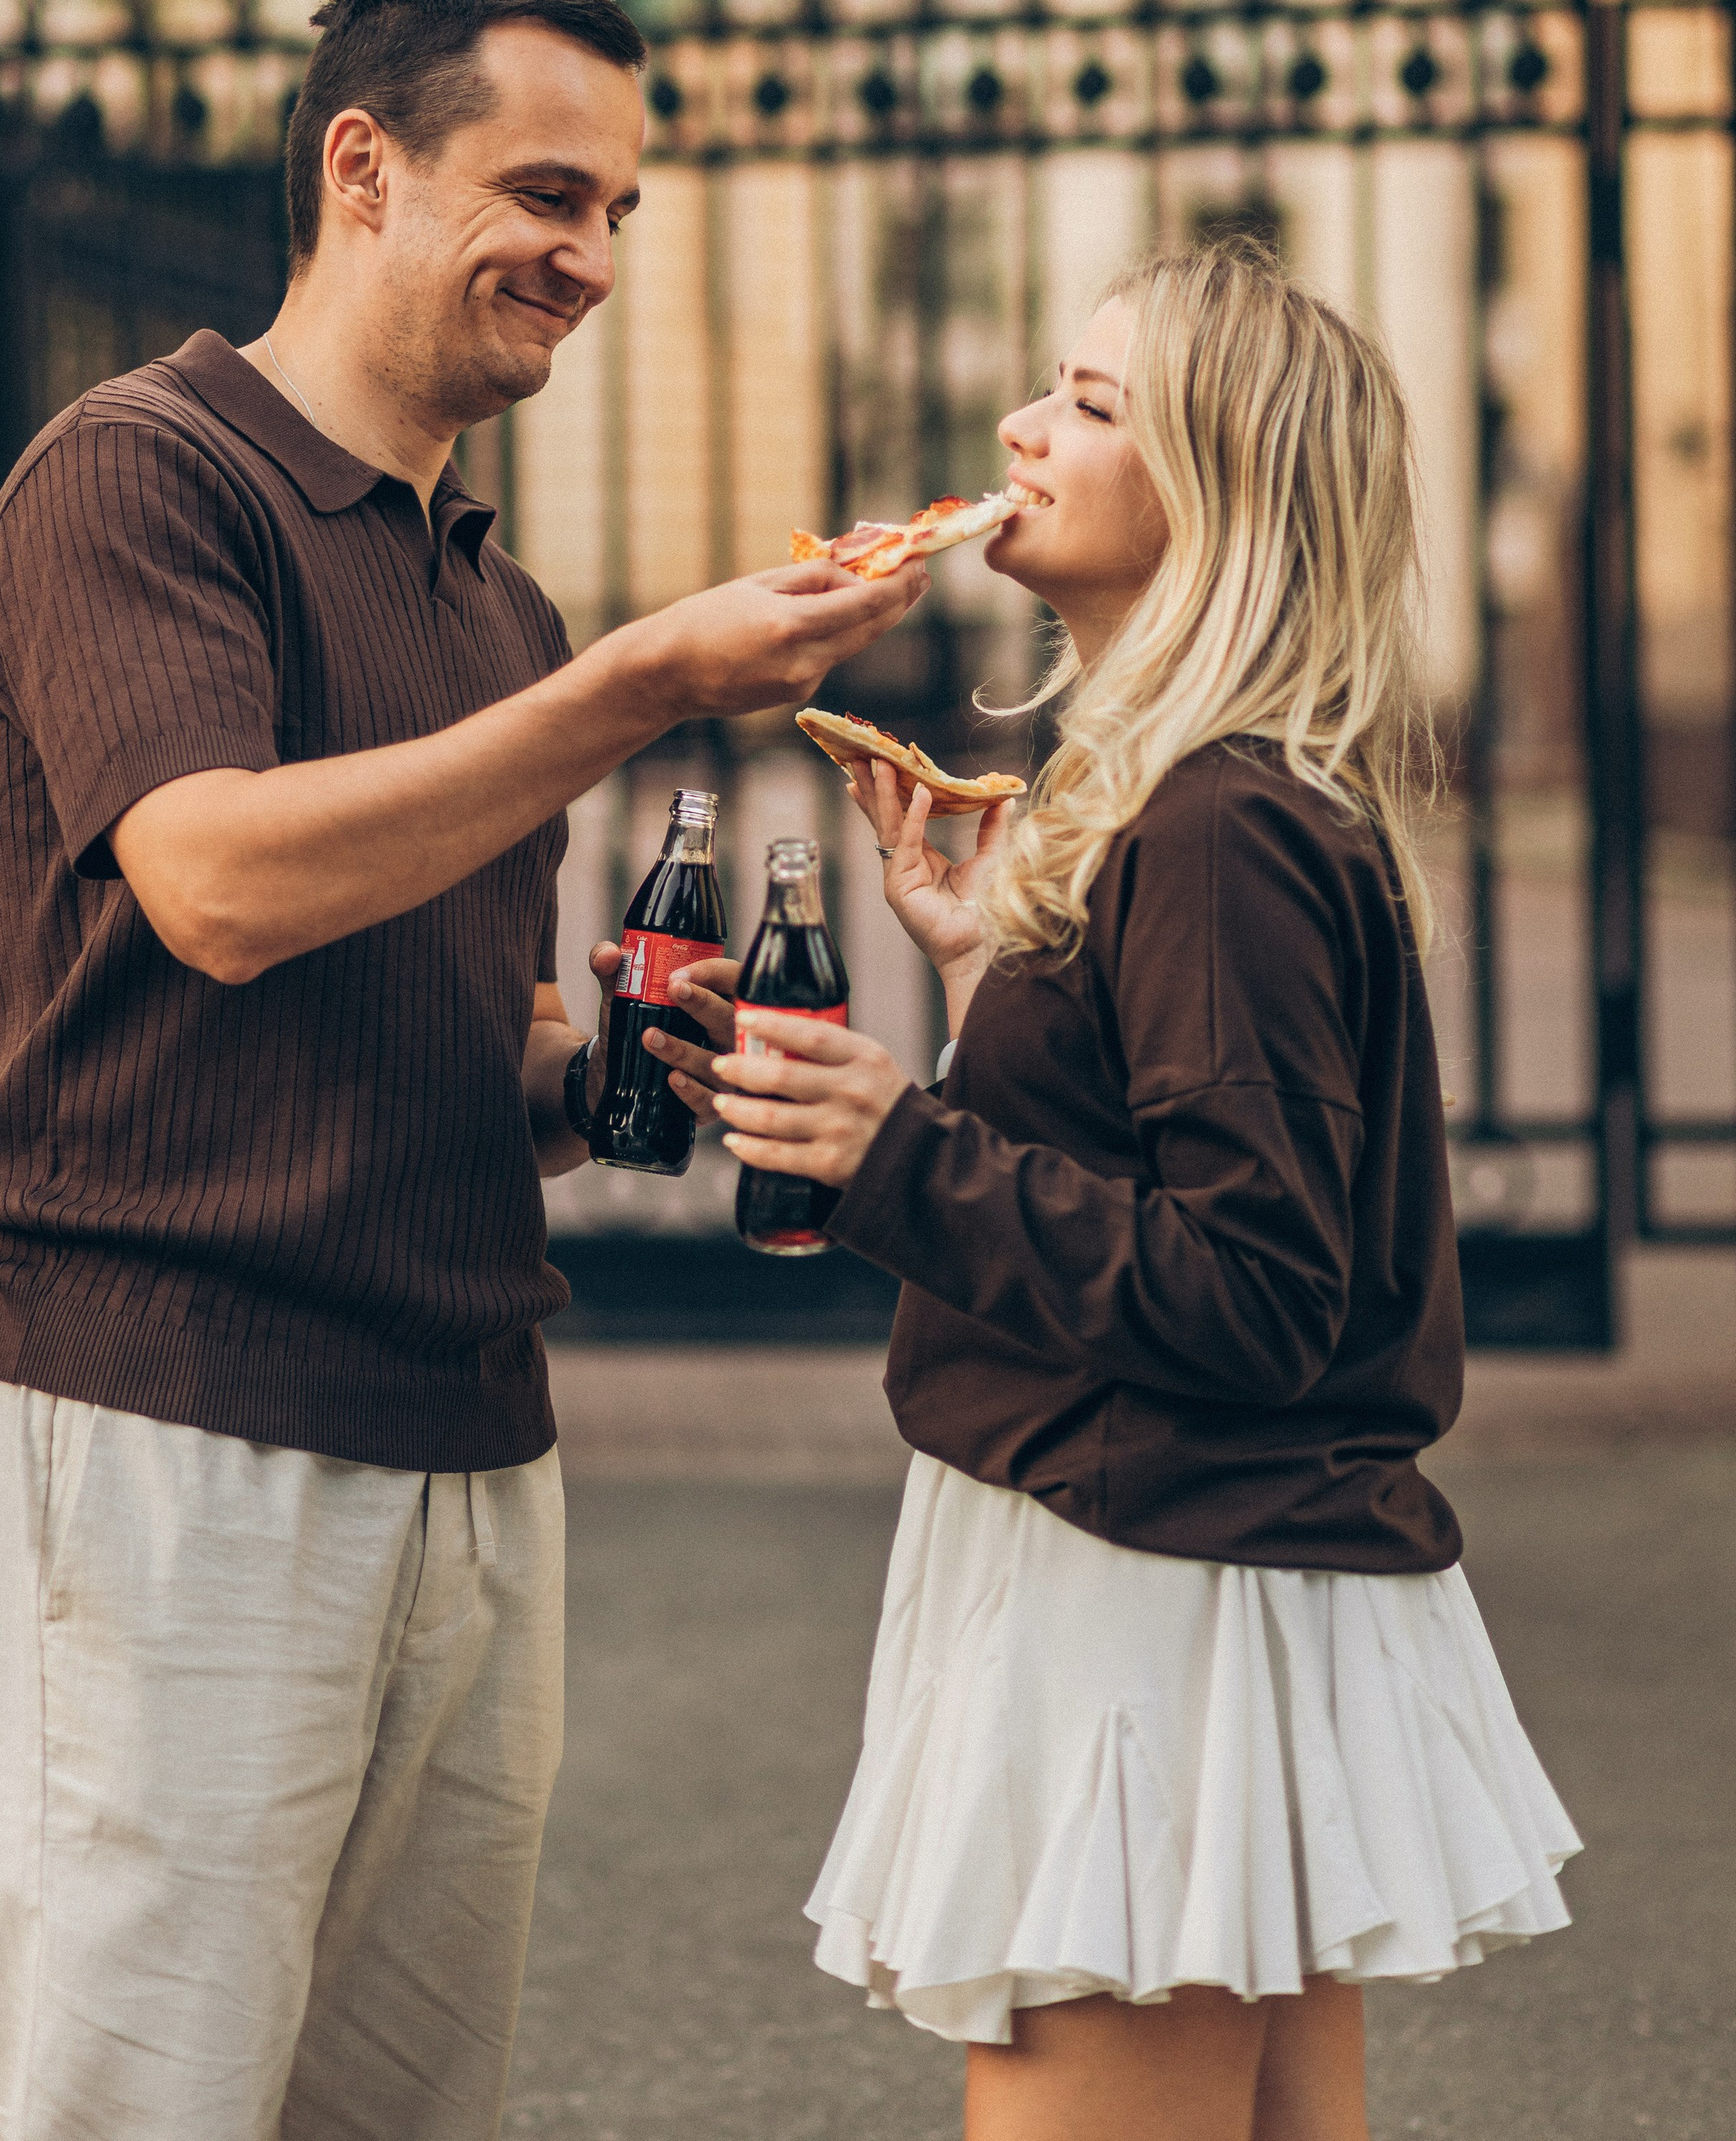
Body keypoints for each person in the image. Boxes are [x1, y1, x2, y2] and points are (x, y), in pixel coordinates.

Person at [0, 0, 921, 2141]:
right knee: (143, 2101)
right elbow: (217, 885)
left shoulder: (491, 595)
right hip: (183, 1421)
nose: (588, 261)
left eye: (618, 217)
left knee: (397, 2116)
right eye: (547, 196)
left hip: (474, 1438)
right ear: (363, 166)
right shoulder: (139, 477)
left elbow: (495, 1036)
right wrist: (640, 689)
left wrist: (647, 1076)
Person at [646, 245, 1578, 2141]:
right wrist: (995, 970)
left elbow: (1250, 1283)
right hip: (1201, 1558)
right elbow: (1182, 1164)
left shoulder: (1216, 825)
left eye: (1087, 402)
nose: (1017, 426)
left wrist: (890, 1145)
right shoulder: (1212, 803)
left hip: (1153, 1573)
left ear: (1220, 492)